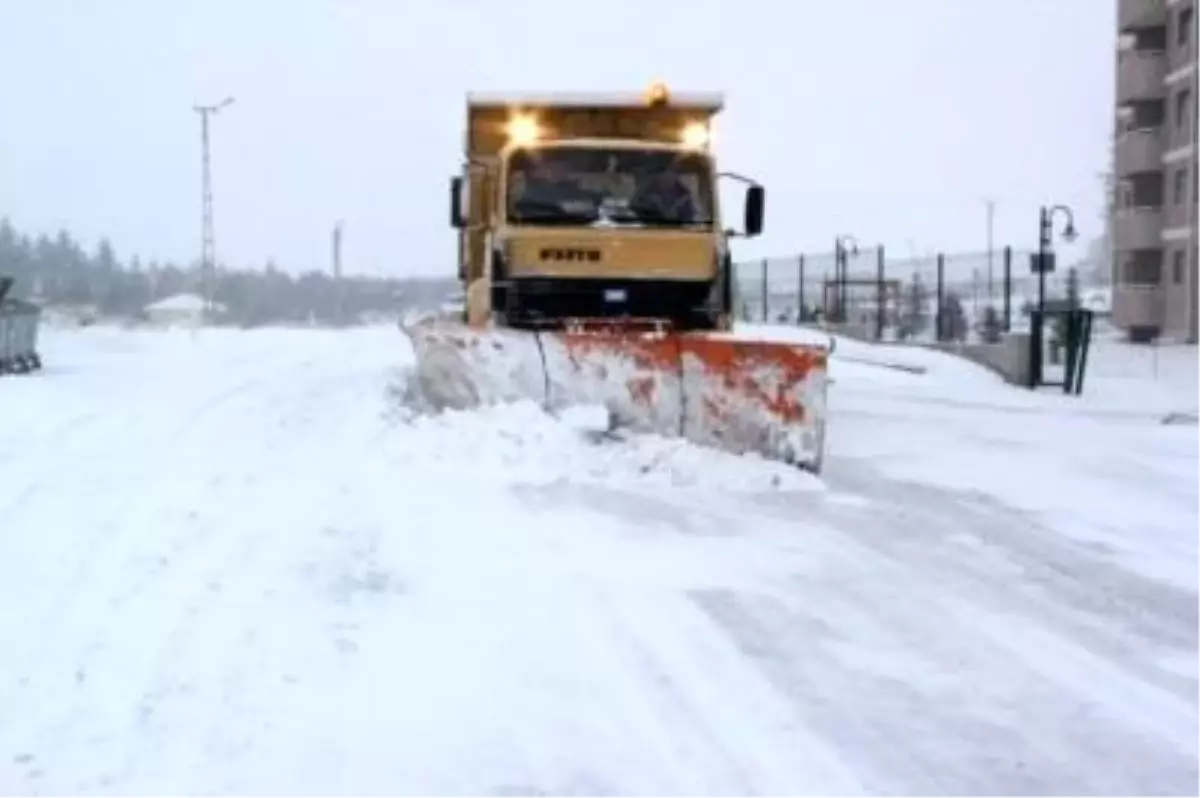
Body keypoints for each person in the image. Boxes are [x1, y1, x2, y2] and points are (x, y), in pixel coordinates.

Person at [629, 169, 700, 222]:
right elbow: (634, 209)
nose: (670, 178)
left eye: (675, 175)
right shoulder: (645, 196)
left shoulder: (686, 197)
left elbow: (694, 218)